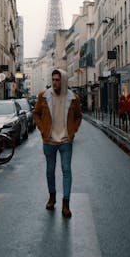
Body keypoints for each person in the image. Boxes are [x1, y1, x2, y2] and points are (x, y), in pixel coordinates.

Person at [33, 69, 83, 218]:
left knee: (66, 170)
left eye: (57, 80)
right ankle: (52, 197)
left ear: (64, 81)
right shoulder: (44, 96)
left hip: (65, 141)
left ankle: (66, 203)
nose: (54, 82)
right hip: (49, 141)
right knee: (50, 171)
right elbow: (36, 114)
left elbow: (79, 116)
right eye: (53, 79)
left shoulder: (73, 98)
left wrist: (72, 131)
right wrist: (43, 130)